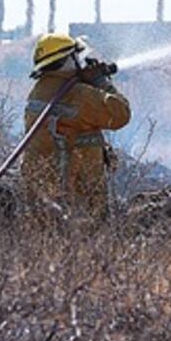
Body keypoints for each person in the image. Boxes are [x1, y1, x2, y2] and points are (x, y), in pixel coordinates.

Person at [21, 33, 131, 218]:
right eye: (78, 57)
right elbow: (120, 114)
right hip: (79, 202)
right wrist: (100, 82)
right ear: (67, 61)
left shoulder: (40, 91)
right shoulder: (78, 95)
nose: (83, 62)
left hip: (43, 198)